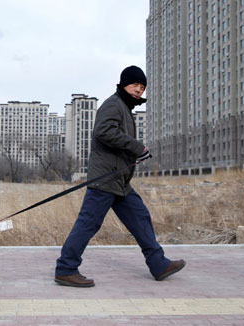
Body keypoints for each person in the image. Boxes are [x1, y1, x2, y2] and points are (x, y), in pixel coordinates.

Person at [54, 65, 185, 287]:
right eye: (135, 85)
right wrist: (136, 147)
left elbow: (116, 139)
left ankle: (158, 264)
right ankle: (66, 268)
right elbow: (103, 132)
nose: (138, 90)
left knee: (140, 218)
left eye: (142, 87)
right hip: (105, 180)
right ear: (124, 84)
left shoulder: (124, 107)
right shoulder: (113, 104)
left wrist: (134, 153)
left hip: (119, 182)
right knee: (88, 224)